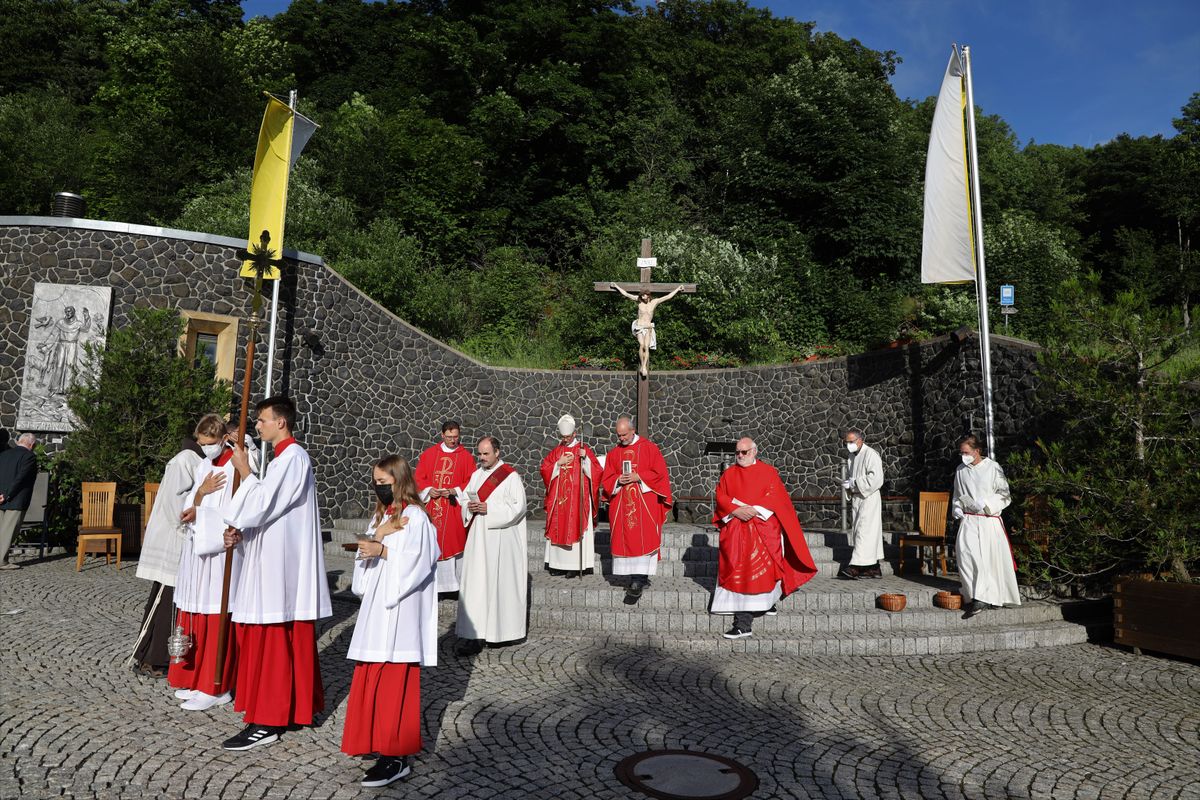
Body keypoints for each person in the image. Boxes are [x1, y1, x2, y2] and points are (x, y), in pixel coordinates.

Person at [220, 397, 331, 750]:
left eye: (262, 420)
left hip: (278, 568)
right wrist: (244, 531)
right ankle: (292, 709)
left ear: (281, 422)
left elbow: (264, 503)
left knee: (271, 637)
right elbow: (269, 512)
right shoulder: (285, 459)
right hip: (272, 559)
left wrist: (245, 472)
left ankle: (267, 719)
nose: (258, 426)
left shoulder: (293, 458)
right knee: (279, 637)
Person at [341, 455, 439, 788]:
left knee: (394, 683)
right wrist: (371, 545)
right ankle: (378, 745)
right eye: (376, 483)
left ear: (400, 480)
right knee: (372, 679)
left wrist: (382, 550)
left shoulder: (415, 518)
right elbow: (362, 581)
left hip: (400, 613)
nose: (379, 488)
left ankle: (396, 756)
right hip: (376, 612)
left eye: (384, 482)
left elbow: (420, 563)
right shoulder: (383, 516)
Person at [169, 418, 249, 711]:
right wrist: (199, 498)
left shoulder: (235, 467)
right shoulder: (205, 465)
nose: (205, 449)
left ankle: (215, 686)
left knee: (215, 612)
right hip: (198, 551)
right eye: (201, 443)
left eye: (208, 442)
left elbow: (238, 510)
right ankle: (194, 677)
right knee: (196, 612)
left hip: (220, 552)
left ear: (221, 438)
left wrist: (203, 516)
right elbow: (193, 500)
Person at [712, 437, 817, 638]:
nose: (739, 456)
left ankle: (747, 619)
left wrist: (752, 510)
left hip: (762, 530)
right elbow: (721, 496)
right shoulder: (729, 474)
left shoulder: (769, 472)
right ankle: (747, 617)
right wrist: (735, 510)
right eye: (737, 452)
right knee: (740, 574)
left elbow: (775, 496)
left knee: (762, 574)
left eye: (744, 452)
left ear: (754, 452)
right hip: (736, 532)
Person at [128, 427, 206, 675]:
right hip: (175, 538)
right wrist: (188, 527)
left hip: (180, 536)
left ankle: (153, 656)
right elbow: (175, 504)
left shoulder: (194, 459)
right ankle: (153, 659)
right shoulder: (185, 460)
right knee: (164, 601)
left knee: (166, 599)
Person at [454, 436, 528, 656]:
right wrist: (471, 506)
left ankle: (501, 634)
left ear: (497, 452)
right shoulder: (476, 476)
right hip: (478, 541)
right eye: (480, 453)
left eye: (486, 453)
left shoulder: (510, 477)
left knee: (498, 586)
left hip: (501, 542)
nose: (482, 457)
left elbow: (518, 507)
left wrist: (489, 509)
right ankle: (474, 636)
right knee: (477, 587)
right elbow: (465, 502)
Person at [600, 415, 672, 603]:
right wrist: (618, 480)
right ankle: (636, 578)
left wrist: (638, 476)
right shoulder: (614, 453)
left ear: (633, 430)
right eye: (619, 435)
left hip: (644, 505)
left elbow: (660, 474)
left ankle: (638, 580)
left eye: (624, 434)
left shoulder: (649, 448)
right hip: (622, 507)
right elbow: (606, 479)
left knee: (643, 541)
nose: (621, 438)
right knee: (626, 540)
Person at [952, 434, 1020, 619]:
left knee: (985, 559)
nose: (963, 456)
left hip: (988, 519)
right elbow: (957, 496)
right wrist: (957, 509)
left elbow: (1005, 494)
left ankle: (982, 598)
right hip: (969, 520)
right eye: (961, 453)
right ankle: (974, 593)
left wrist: (986, 502)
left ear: (977, 451)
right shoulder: (960, 470)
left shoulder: (992, 468)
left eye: (966, 452)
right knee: (965, 555)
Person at [414, 421, 475, 594]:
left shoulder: (466, 457)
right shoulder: (429, 454)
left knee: (454, 542)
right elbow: (419, 477)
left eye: (456, 437)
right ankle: (434, 586)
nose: (453, 441)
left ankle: (454, 587)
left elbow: (471, 481)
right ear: (442, 435)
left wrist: (454, 490)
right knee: (433, 543)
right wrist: (428, 490)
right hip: (432, 507)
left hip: (453, 507)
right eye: (449, 437)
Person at [539, 414, 600, 577]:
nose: (565, 440)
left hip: (578, 498)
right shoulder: (557, 451)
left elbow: (597, 471)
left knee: (575, 524)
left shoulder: (583, 450)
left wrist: (585, 459)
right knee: (559, 525)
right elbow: (544, 469)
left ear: (574, 434)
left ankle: (574, 566)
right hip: (559, 499)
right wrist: (557, 464)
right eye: (563, 437)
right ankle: (557, 564)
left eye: (568, 436)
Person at [838, 428, 885, 580]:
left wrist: (855, 483)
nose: (848, 445)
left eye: (851, 442)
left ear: (860, 440)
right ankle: (874, 568)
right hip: (858, 498)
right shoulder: (852, 456)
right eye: (847, 442)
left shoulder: (871, 454)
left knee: (864, 532)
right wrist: (849, 485)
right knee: (861, 531)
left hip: (869, 498)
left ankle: (855, 567)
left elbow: (877, 479)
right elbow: (854, 479)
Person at [612, 284, 685, 377]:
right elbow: (626, 294)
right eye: (641, 295)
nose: (642, 297)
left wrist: (678, 289)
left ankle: (643, 367)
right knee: (641, 345)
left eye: (644, 295)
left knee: (646, 346)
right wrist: (617, 286)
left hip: (648, 327)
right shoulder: (639, 301)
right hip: (639, 327)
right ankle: (642, 366)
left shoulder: (654, 302)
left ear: (648, 295)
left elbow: (668, 297)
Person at [0, 433, 38, 570]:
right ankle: (1, 562)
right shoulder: (29, 456)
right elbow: (21, 478)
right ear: (32, 445)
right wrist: (8, 494)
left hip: (1, 498)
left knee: (1, 530)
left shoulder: (3, 455)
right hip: (16, 499)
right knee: (9, 531)